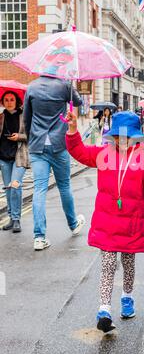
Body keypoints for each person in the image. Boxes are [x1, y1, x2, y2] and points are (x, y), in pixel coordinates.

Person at [66, 111, 144, 334]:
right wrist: (72, 130)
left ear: (136, 137)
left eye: (127, 137)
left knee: (128, 263)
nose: (122, 141)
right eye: (118, 137)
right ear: (113, 136)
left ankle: (127, 297)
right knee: (107, 265)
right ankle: (104, 309)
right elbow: (79, 152)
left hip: (131, 224)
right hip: (107, 223)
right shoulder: (104, 154)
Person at [23, 76, 86, 251]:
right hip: (59, 143)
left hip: (38, 144)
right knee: (64, 186)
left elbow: (27, 119)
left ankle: (39, 237)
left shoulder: (32, 87)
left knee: (39, 189)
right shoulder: (64, 86)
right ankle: (73, 224)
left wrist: (32, 139)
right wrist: (71, 88)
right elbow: (79, 102)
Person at [0, 91, 29, 233]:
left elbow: (31, 135)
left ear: (16, 101)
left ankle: (17, 219)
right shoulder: (1, 117)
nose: (9, 102)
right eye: (6, 100)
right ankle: (11, 218)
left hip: (19, 156)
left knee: (15, 186)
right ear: (3, 102)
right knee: (9, 189)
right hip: (4, 158)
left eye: (12, 99)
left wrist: (19, 136)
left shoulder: (24, 116)